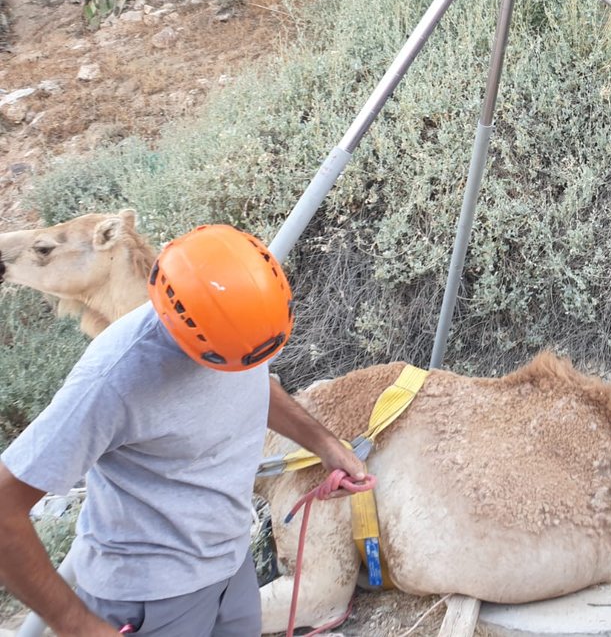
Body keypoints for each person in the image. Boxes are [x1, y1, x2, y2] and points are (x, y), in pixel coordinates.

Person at [0, 223, 367, 636]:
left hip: (230, 567)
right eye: (228, 358)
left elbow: (247, 373)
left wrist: (324, 443)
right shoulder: (114, 379)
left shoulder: (235, 321)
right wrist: (75, 623)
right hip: (150, 600)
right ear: (195, 338)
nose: (243, 366)